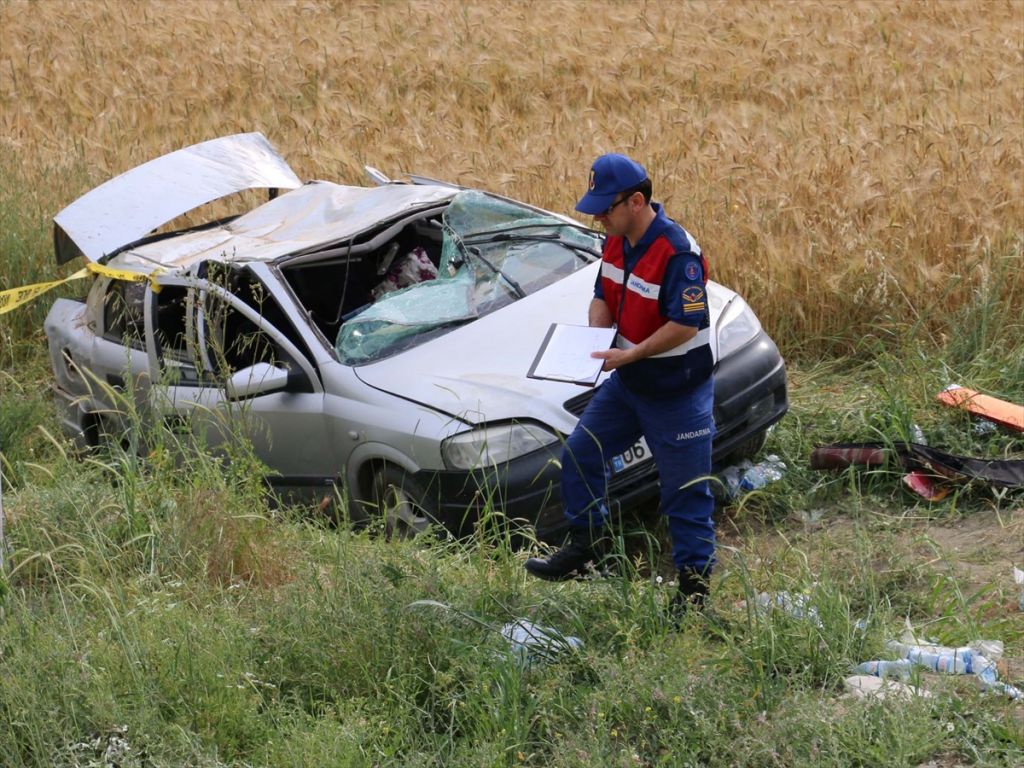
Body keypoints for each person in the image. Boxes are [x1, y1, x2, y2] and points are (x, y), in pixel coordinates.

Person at [524, 153, 716, 612]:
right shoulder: (616, 239)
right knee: (580, 454)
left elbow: (687, 324)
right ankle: (586, 549)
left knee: (685, 495)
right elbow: (602, 294)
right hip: (630, 382)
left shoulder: (678, 252)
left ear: (635, 201)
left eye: (604, 208)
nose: (596, 217)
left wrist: (632, 352)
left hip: (676, 391)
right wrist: (596, 331)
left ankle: (693, 595)